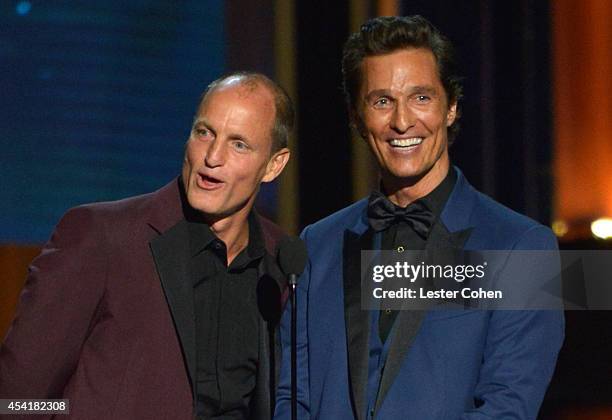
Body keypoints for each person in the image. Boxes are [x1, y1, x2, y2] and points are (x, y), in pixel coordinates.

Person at [275, 16, 563, 420]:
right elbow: (293, 400)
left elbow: (505, 408)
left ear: (451, 107)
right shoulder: (316, 245)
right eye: (381, 101)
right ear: (358, 118)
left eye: (421, 98)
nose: (402, 121)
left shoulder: (520, 248)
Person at [0, 72, 293, 419]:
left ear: (274, 165)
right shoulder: (103, 236)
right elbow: (16, 399)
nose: (212, 157)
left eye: (238, 144)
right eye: (204, 133)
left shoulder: (283, 262)